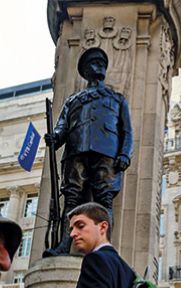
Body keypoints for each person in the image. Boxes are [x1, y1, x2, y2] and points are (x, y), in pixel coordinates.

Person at [44, 48, 133, 257]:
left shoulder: (117, 99)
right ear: (86, 70)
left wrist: (125, 154)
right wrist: (55, 138)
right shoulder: (73, 100)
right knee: (72, 200)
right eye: (94, 63)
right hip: (76, 152)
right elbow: (61, 127)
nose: (100, 66)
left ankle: (104, 248)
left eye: (102, 62)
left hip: (107, 154)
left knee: (105, 201)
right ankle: (64, 246)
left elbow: (127, 131)